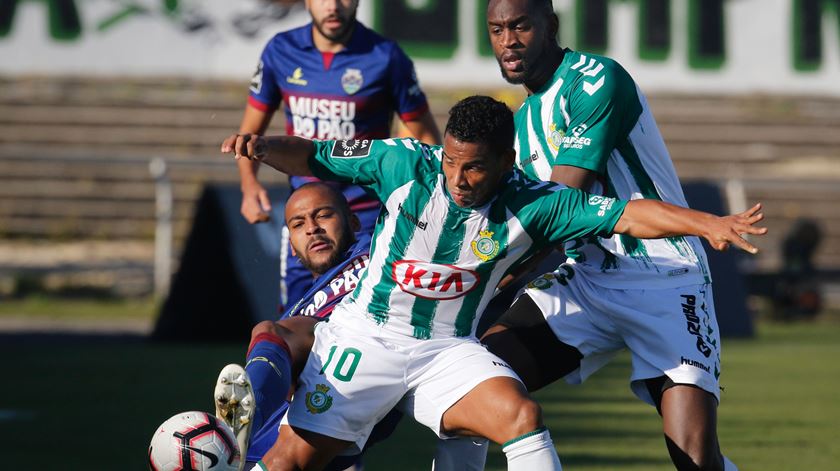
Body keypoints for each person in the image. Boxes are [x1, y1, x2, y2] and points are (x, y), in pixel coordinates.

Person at [221, 95, 766, 471]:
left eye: (475, 167)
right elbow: (316, 154)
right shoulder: (406, 163)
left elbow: (630, 214)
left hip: (445, 351)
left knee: (521, 416)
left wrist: (710, 225)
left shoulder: (538, 203)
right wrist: (266, 148)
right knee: (291, 462)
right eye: (452, 161)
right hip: (365, 339)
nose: (458, 178)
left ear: (508, 161)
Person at [481, 1, 743, 469]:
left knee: (693, 456)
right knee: (475, 382)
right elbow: (530, 226)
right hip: (586, 280)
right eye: (497, 30)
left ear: (550, 26)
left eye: (520, 25)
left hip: (664, 273)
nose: (509, 41)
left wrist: (496, 264)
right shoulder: (520, 124)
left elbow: (561, 201)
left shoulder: (596, 79)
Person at [214, 182, 487, 471]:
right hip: (307, 423)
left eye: (323, 215)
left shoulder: (382, 250)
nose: (312, 228)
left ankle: (238, 423)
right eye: (298, 224)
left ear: (353, 222)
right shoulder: (301, 310)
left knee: (270, 331)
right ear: (291, 246)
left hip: (372, 374)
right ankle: (238, 436)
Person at [237, 0, 440, 311]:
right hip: (305, 218)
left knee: (362, 318)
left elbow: (424, 136)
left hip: (367, 219)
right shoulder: (280, 50)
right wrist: (249, 187)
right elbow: (250, 135)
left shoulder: (385, 56)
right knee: (294, 317)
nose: (332, 6)